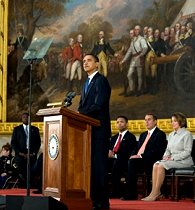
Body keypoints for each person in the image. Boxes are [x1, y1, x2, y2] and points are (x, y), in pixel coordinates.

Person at [78, 54, 111, 210]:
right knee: (90, 168)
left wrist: (80, 114)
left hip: (99, 132)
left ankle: (102, 203)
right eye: (83, 61)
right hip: (88, 132)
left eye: (89, 60)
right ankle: (92, 200)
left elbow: (98, 105)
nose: (85, 63)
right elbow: (82, 105)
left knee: (99, 168)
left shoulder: (101, 81)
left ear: (97, 64)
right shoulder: (86, 82)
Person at [142, 112, 194, 201]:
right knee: (156, 164)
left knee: (161, 165)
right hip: (172, 161)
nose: (172, 123)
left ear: (181, 122)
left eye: (174, 121)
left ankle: (156, 193)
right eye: (171, 121)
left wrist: (172, 158)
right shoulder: (171, 134)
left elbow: (187, 152)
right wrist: (165, 156)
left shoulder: (187, 134)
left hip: (184, 162)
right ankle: (153, 192)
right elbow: (167, 150)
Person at [121, 113, 167, 200]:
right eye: (145, 120)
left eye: (149, 120)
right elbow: (136, 148)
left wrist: (141, 156)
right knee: (130, 161)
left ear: (155, 122)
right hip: (140, 160)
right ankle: (130, 192)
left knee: (132, 162)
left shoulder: (160, 134)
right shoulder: (143, 134)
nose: (146, 122)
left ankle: (131, 193)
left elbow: (158, 151)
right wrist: (133, 155)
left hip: (151, 160)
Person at [108, 115, 137, 198]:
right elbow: (110, 149)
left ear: (126, 124)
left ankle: (116, 192)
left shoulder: (131, 137)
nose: (119, 124)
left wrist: (115, 155)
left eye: (122, 122)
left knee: (116, 163)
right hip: (111, 160)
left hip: (124, 160)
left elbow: (129, 152)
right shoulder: (113, 138)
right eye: (117, 122)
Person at [11, 112, 41, 185]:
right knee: (21, 169)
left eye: (27, 117)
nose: (25, 118)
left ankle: (31, 184)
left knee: (33, 169)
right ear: (22, 119)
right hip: (20, 155)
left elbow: (38, 143)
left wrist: (34, 153)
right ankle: (23, 184)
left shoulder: (35, 129)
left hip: (31, 154)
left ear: (30, 119)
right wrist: (20, 153)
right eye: (24, 117)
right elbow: (13, 143)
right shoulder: (17, 129)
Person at [120, 25, 148, 97]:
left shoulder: (141, 39)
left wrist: (140, 55)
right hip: (133, 59)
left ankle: (139, 90)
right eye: (135, 29)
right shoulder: (133, 41)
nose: (136, 31)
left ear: (140, 30)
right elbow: (129, 52)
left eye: (137, 29)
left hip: (139, 58)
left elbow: (145, 48)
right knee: (129, 75)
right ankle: (132, 90)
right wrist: (123, 60)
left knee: (139, 75)